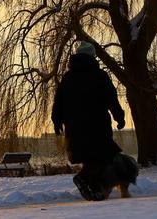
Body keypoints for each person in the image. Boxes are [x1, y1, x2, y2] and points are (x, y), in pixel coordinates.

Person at [51, 41, 135, 201]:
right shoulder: (100, 76)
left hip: (74, 127)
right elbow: (111, 98)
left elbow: (59, 101)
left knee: (90, 157)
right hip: (97, 125)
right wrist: (119, 117)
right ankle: (83, 178)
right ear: (93, 57)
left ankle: (96, 190)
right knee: (103, 156)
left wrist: (57, 121)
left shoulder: (68, 78)